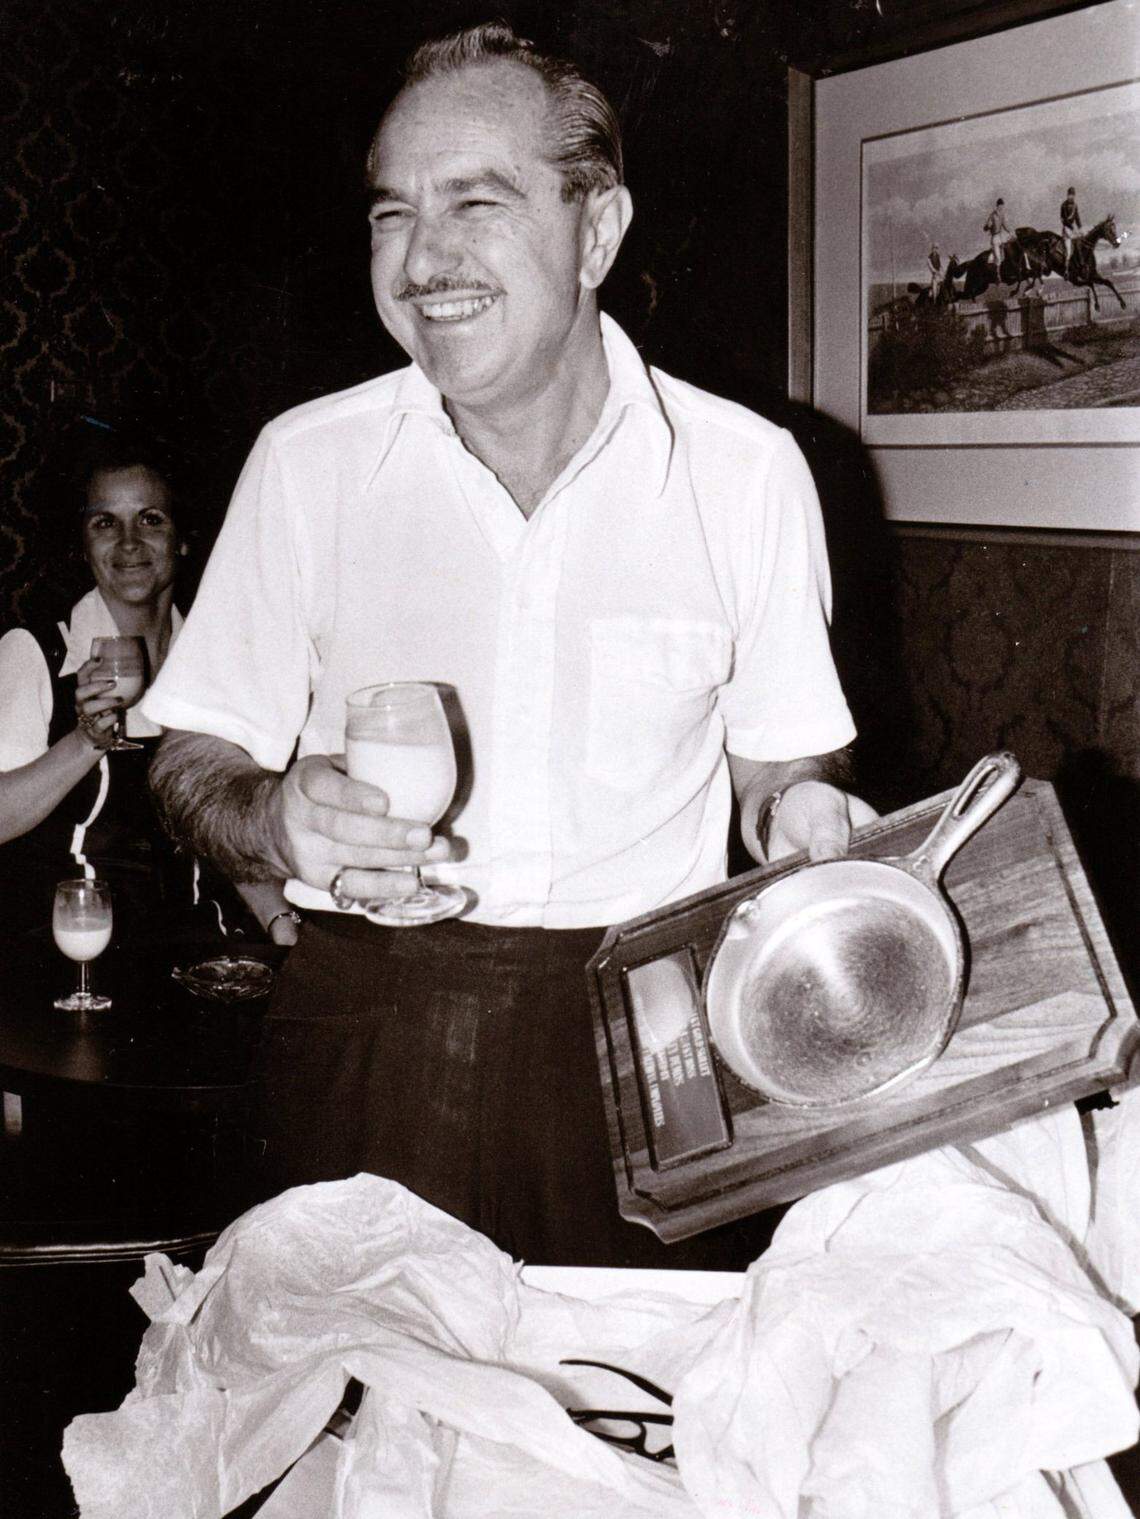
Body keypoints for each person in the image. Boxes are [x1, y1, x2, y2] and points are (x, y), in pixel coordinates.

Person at [144, 22, 875, 1269]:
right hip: (365, 1019)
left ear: (598, 232)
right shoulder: (308, 464)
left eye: (477, 202)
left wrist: (803, 817)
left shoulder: (748, 475)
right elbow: (189, 756)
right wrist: (276, 820)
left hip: (653, 1032)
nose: (426, 259)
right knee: (346, 1425)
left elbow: (781, 767)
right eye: (392, 214)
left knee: (628, 1430)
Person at [0, 422, 298, 948]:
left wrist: (283, 926)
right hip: (72, 958)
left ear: (182, 539)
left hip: (202, 950)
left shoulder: (220, 661)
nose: (129, 543)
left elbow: (227, 830)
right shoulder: (39, 653)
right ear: (83, 542)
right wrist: (85, 740)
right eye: (104, 523)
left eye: (151, 519)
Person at [1060, 185, 1081, 276]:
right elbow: (1064, 220)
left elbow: (1077, 217)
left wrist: (1080, 228)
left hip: (1073, 228)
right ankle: (1066, 270)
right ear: (1067, 195)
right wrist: (1072, 228)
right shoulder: (1063, 205)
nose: (1071, 196)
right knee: (1068, 251)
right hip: (1066, 229)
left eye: (1072, 195)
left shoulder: (1075, 205)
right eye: (1069, 195)